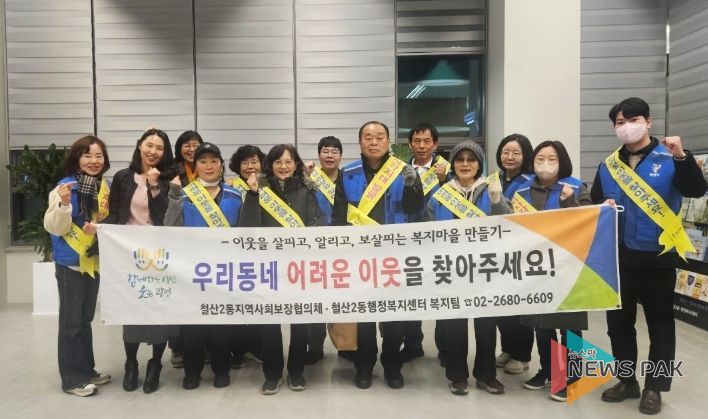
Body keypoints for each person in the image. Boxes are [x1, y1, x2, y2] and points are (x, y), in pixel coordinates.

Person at [591, 97, 707, 414]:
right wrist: (600, 207)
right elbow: (595, 202)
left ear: (648, 122)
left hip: (658, 257)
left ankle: (655, 386)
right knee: (618, 324)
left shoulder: (670, 157)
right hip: (618, 259)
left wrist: (682, 156)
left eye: (633, 120)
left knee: (660, 325)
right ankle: (627, 381)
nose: (627, 126)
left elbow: (696, 190)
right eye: (620, 122)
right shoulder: (608, 165)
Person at [331, 121, 424, 390]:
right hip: (360, 257)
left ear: (388, 141)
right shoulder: (347, 174)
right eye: (368, 137)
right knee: (364, 315)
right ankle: (365, 365)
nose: (374, 142)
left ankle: (392, 365)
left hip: (395, 256)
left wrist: (412, 186)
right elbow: (338, 217)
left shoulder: (403, 171)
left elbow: (416, 213)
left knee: (393, 314)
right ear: (360, 142)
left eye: (380, 137)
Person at [424, 140, 510, 395]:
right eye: (459, 159)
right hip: (451, 270)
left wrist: (497, 201)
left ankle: (486, 375)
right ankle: (457, 375)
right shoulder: (440, 196)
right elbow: (427, 233)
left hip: (485, 269)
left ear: (479, 164)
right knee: (453, 326)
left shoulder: (491, 190)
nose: (465, 164)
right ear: (452, 165)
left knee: (486, 326)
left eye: (471, 159)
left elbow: (509, 225)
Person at [240, 144, 324, 395]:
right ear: (270, 165)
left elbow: (316, 225)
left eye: (288, 162)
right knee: (270, 323)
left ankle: (296, 371)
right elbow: (248, 228)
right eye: (278, 162)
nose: (283, 166)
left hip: (299, 267)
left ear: (296, 164)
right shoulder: (259, 190)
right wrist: (253, 195)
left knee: (299, 323)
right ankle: (272, 374)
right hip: (270, 267)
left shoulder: (307, 191)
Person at [515, 140, 592, 402]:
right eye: (540, 158)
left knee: (569, 326)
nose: (545, 164)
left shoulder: (576, 187)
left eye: (552, 159)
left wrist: (570, 202)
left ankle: (571, 376)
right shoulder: (523, 190)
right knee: (541, 323)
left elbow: (590, 220)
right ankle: (548, 370)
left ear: (562, 162)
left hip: (569, 267)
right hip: (535, 268)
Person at [165, 142, 243, 390]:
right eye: (203, 162)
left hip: (225, 270)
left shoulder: (235, 195)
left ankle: (221, 370)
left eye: (213, 161)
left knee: (222, 325)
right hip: (193, 271)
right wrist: (174, 197)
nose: (209, 166)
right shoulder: (185, 194)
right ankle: (192, 371)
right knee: (193, 325)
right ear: (195, 166)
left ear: (221, 165)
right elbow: (170, 228)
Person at [105, 128, 175, 394]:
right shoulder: (123, 177)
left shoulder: (169, 180)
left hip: (159, 254)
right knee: (131, 310)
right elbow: (115, 215)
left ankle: (155, 363)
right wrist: (99, 230)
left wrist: (155, 186)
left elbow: (167, 217)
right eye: (149, 145)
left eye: (159, 147)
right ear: (139, 146)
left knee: (159, 309)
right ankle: (131, 363)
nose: (153, 151)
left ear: (165, 153)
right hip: (129, 254)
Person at [43, 135, 112, 397]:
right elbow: (54, 227)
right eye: (87, 155)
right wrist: (63, 204)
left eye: (98, 155)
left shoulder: (103, 187)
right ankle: (72, 380)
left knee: (84, 320)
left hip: (93, 262)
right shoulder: (64, 187)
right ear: (77, 158)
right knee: (71, 323)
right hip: (70, 264)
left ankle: (87, 370)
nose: (94, 161)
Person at [402, 122, 451, 364]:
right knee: (411, 293)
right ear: (410, 144)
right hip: (409, 242)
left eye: (427, 141)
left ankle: (445, 348)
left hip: (439, 242)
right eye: (417, 141)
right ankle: (413, 345)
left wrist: (443, 180)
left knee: (441, 292)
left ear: (435, 144)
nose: (422, 146)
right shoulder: (399, 170)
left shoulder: (448, 170)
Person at [492, 134, 536, 375]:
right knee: (501, 306)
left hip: (522, 251)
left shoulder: (532, 182)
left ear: (525, 155)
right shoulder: (493, 179)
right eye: (505, 152)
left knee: (520, 306)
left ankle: (522, 355)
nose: (509, 157)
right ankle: (507, 348)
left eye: (516, 153)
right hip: (497, 252)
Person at [304, 136, 344, 364]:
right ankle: (315, 346)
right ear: (319, 155)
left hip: (342, 248)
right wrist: (305, 178)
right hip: (315, 249)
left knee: (343, 298)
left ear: (340, 156)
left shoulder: (348, 179)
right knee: (315, 299)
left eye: (334, 151)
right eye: (325, 151)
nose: (329, 155)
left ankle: (346, 345)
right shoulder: (309, 178)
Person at [226, 144, 267, 368]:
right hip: (236, 253)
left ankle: (257, 345)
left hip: (263, 253)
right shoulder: (230, 187)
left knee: (259, 302)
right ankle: (238, 349)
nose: (250, 166)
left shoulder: (269, 186)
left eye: (254, 161)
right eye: (245, 162)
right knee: (238, 303)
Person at [168, 130, 204, 368]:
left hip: (202, 244)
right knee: (178, 297)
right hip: (178, 241)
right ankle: (177, 347)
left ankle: (203, 346)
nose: (191, 149)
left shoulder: (208, 170)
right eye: (186, 145)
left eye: (195, 145)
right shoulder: (171, 173)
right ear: (179, 148)